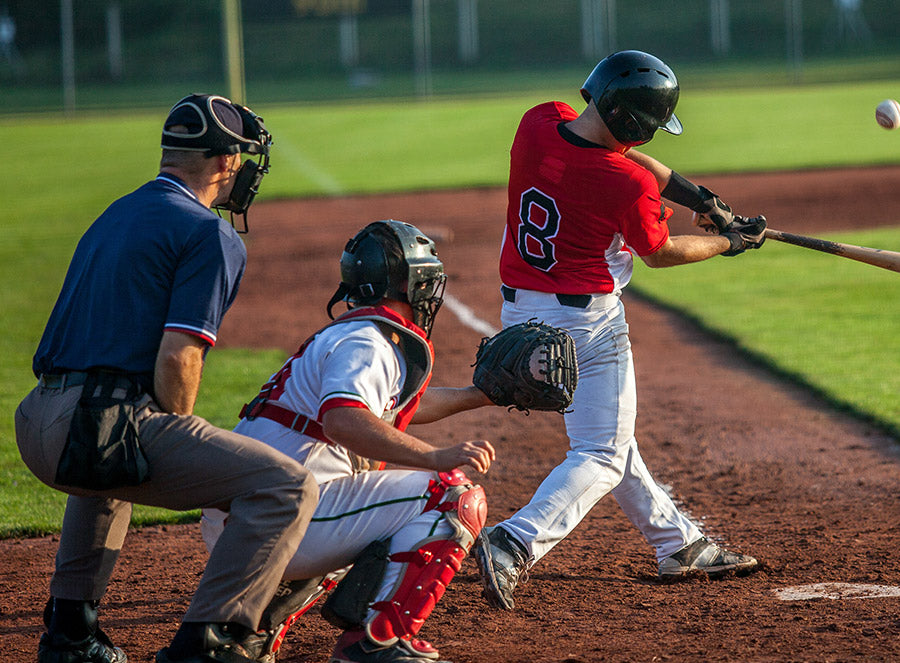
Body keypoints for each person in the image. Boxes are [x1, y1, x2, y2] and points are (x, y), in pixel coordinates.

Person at [15, 93, 319, 663]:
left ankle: (70, 636)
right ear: (226, 162)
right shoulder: (209, 234)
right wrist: (179, 437)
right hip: (88, 428)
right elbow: (179, 357)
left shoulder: (117, 212)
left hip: (36, 420)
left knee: (108, 467)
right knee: (287, 486)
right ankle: (208, 644)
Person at [474, 50, 765, 611]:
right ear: (633, 121)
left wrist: (704, 201)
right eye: (651, 125)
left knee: (609, 436)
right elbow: (662, 252)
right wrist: (730, 242)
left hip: (520, 314)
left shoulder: (539, 122)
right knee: (601, 452)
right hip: (586, 325)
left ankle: (678, 545)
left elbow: (627, 162)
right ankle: (515, 540)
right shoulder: (623, 181)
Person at [200, 220, 495, 663]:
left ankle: (251, 634)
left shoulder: (351, 335)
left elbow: (386, 411)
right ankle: (376, 643)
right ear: (408, 283)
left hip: (246, 520)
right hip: (281, 520)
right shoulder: (368, 342)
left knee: (370, 515)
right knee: (451, 496)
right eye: (427, 279)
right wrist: (436, 457)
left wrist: (480, 396)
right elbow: (344, 420)